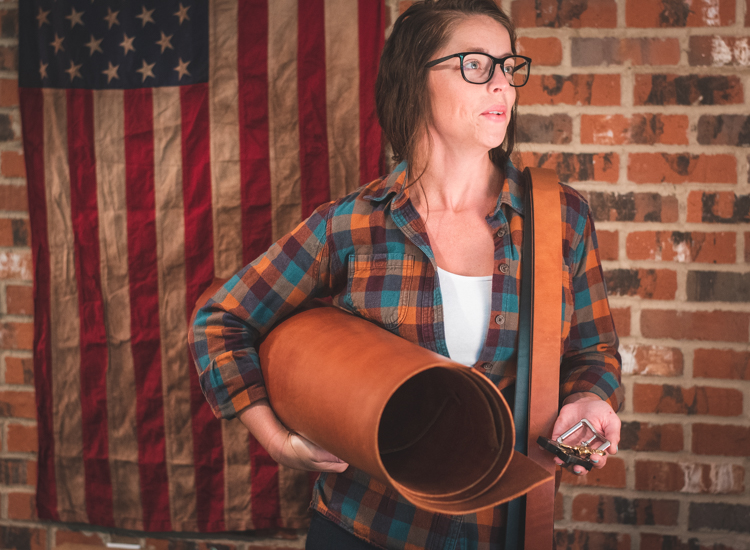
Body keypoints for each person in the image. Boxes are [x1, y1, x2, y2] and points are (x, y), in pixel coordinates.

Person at [189, 0, 624, 548]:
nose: (502, 87)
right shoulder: (348, 225)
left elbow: (593, 352)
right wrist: (276, 441)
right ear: (415, 78)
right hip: (367, 525)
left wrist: (590, 398)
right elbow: (219, 320)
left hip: (504, 528)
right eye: (476, 65)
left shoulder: (560, 217)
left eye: (509, 67)